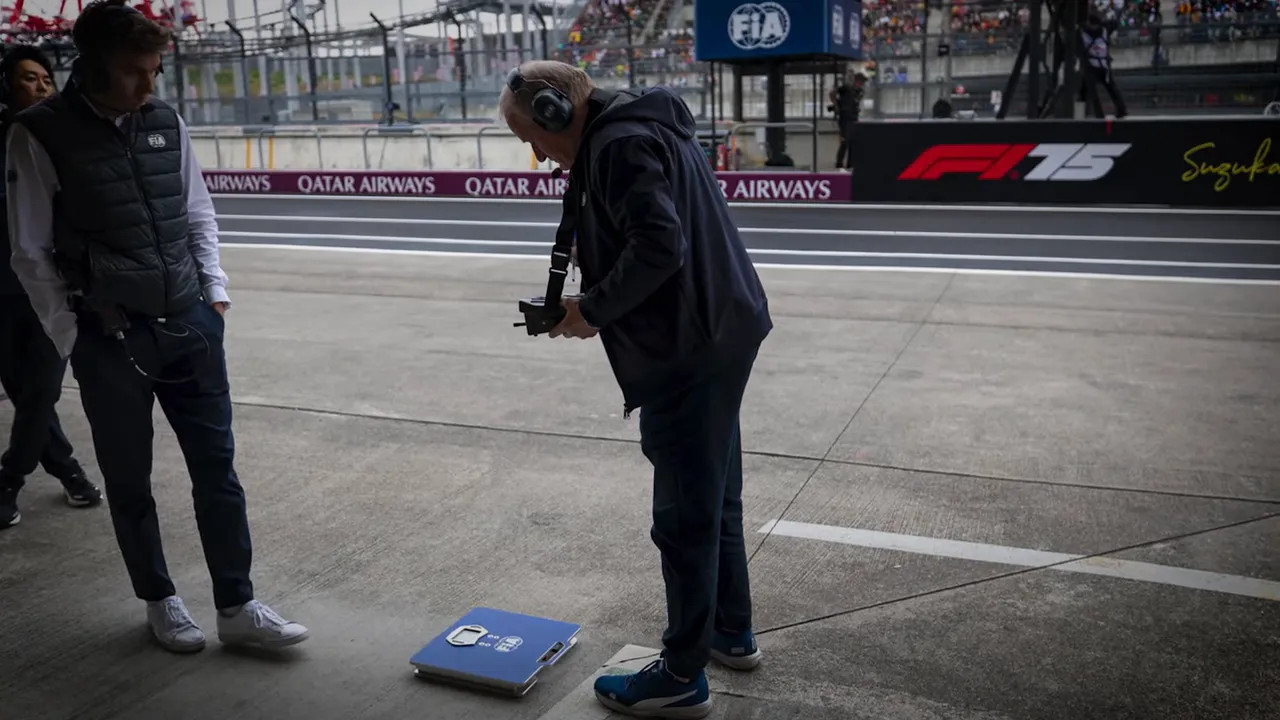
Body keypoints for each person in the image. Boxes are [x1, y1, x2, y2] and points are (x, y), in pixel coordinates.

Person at [4, 0, 308, 654]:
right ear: (92, 66)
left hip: (192, 322)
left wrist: (215, 297)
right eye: (135, 71)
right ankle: (159, 600)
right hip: (106, 336)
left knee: (218, 471)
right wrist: (71, 337)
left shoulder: (166, 121)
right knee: (129, 477)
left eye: (156, 70)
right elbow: (29, 251)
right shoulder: (37, 134)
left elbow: (198, 213)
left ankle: (237, 603)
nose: (149, 84)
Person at [500, 60, 773, 720]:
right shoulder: (639, 126)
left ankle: (682, 674)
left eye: (530, 138)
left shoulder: (619, 146)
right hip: (723, 326)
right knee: (715, 496)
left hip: (690, 349)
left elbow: (659, 246)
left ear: (555, 113)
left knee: (683, 516)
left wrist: (592, 310)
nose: (536, 156)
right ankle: (729, 632)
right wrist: (591, 303)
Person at [0, 44, 103, 530]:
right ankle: (68, 470)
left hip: (46, 289)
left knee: (41, 390)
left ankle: (9, 478)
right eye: (28, 79)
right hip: (1, 292)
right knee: (25, 394)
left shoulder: (61, 139)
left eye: (45, 78)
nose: (41, 86)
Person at [829, 69, 866, 170]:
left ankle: (850, 163)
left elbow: (857, 103)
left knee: (853, 142)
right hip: (844, 119)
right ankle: (839, 163)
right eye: (860, 81)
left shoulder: (860, 92)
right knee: (844, 142)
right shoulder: (846, 88)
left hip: (854, 118)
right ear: (855, 80)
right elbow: (832, 93)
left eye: (862, 82)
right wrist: (836, 105)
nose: (861, 84)